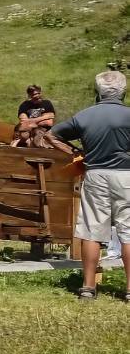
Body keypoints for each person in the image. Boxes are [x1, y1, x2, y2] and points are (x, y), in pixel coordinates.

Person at [50, 70, 130, 300]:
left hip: (95, 173)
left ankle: (88, 287)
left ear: (97, 92)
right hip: (126, 175)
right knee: (128, 231)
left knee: (92, 230)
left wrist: (77, 153)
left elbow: (52, 136)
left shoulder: (85, 116)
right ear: (123, 92)